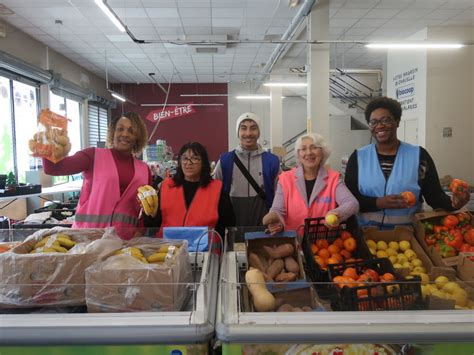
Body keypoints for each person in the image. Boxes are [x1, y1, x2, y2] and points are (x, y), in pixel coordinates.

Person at [344, 96, 469, 229]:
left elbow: (434, 196)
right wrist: (378, 202)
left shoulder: (420, 157)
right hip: (366, 234)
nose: (379, 125)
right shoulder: (358, 157)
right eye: (373, 122)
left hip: (408, 237)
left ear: (397, 121)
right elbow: (349, 200)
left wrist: (453, 203)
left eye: (385, 120)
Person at [42, 111, 152, 239]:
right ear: (112, 133)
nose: (125, 134)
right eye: (120, 129)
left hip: (124, 242)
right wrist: (45, 141)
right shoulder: (93, 156)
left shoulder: (144, 170)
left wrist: (139, 232)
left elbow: (145, 210)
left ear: (138, 137)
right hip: (87, 238)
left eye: (131, 131)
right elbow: (54, 169)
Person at [263, 133, 359, 234]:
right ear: (299, 155)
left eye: (314, 148)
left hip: (324, 244)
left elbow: (352, 203)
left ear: (323, 152)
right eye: (303, 149)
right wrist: (277, 223)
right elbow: (277, 209)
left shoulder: (333, 179)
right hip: (294, 243)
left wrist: (337, 214)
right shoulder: (285, 179)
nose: (308, 153)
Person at [147, 142, 235, 240]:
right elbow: (153, 224)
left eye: (194, 158)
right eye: (184, 158)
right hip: (169, 250)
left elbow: (228, 224)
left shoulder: (217, 188)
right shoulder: (166, 186)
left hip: (205, 251)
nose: (188, 163)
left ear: (203, 163)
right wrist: (151, 214)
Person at [214, 112, 280, 226]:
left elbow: (281, 194)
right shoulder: (225, 161)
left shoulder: (272, 161)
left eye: (253, 128)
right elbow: (214, 192)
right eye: (243, 128)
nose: (248, 133)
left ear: (259, 132)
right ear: (238, 132)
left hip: (264, 220)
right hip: (232, 221)